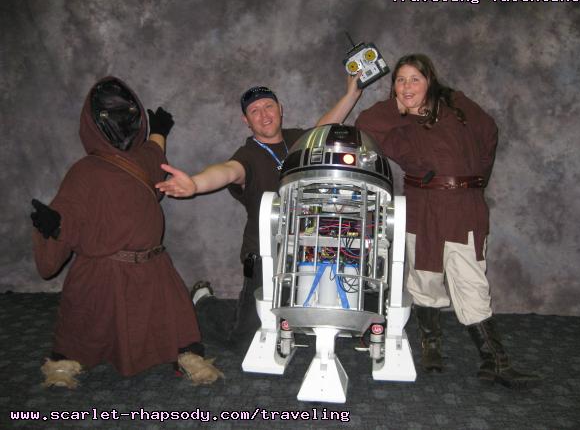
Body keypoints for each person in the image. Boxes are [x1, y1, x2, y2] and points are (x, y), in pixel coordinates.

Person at [318, 54, 539, 388]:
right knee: (424, 278)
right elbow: (364, 125)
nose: (407, 86)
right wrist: (399, 108)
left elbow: (488, 132)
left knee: (471, 282)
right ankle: (430, 347)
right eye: (400, 80)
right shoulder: (398, 123)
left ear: (429, 81)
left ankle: (495, 362)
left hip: (463, 207)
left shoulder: (457, 105)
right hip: (423, 208)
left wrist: (472, 179)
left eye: (414, 79)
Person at [31, 77, 223, 388]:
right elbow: (67, 215)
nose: (122, 121)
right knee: (82, 329)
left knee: (178, 327)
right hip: (103, 275)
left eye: (127, 113)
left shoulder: (142, 159)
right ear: (94, 123)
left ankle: (187, 355)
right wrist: (53, 227)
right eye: (112, 115)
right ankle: (64, 362)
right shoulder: (83, 172)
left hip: (153, 269)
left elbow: (154, 153)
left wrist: (159, 130)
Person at [156, 86, 309, 350]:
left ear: (280, 109)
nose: (264, 115)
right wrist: (195, 183)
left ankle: (250, 310)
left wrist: (352, 93)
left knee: (293, 321)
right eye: (255, 111)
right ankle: (204, 304)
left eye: (269, 107)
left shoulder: (298, 139)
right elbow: (227, 171)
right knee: (245, 342)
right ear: (246, 120)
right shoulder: (247, 156)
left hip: (303, 249)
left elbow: (327, 125)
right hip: (263, 255)